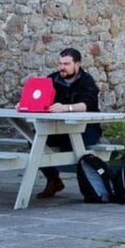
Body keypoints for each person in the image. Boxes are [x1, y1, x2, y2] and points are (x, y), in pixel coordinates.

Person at [35, 47, 102, 199]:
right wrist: (25, 104)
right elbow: (39, 97)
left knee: (63, 143)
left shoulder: (86, 81)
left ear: (77, 65)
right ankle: (53, 180)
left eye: (66, 64)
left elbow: (86, 105)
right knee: (34, 139)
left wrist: (67, 108)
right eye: (60, 64)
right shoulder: (52, 79)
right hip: (59, 129)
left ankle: (91, 188)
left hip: (87, 129)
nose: (62, 67)